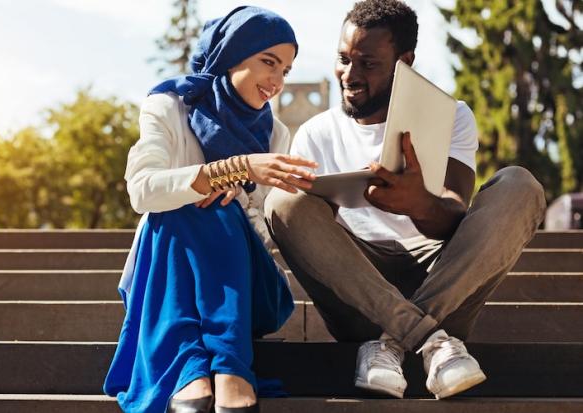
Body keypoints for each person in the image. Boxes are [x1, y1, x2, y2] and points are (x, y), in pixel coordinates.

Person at [265, 0, 546, 400]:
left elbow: (454, 214)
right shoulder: (315, 133)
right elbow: (312, 237)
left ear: (404, 62)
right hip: (359, 291)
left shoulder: (450, 116)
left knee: (520, 185)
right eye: (343, 59)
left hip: (445, 284)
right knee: (283, 203)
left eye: (368, 64)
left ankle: (394, 342)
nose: (350, 75)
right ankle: (430, 340)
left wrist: (419, 204)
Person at [103, 6, 318, 413]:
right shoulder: (168, 106)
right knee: (184, 203)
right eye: (268, 62)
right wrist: (228, 170)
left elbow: (269, 233)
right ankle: (218, 369)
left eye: (286, 70)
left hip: (244, 285)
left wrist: (234, 197)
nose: (277, 81)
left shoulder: (274, 132)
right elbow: (142, 191)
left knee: (215, 207)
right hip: (166, 277)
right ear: (232, 54)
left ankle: (205, 367)